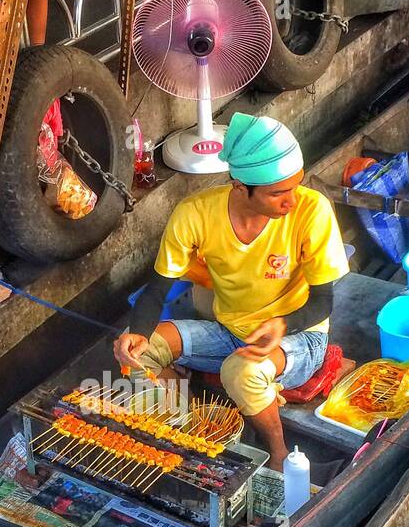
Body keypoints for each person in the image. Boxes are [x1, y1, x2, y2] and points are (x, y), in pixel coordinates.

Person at [114, 113, 348, 473]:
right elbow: (156, 291)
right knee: (138, 351)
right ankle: (189, 434)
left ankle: (280, 455)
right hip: (227, 331)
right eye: (278, 193)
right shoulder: (195, 214)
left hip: (299, 338)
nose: (291, 201)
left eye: (295, 187)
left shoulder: (312, 211)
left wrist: (281, 325)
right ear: (240, 187)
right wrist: (137, 335)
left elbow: (322, 302)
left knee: (242, 372)